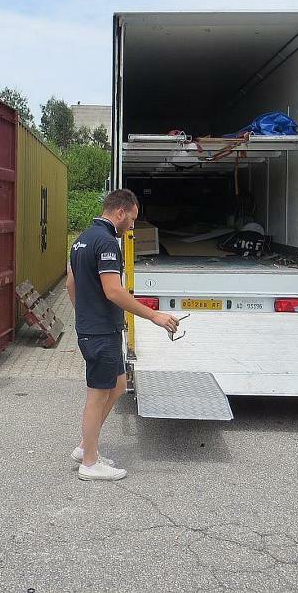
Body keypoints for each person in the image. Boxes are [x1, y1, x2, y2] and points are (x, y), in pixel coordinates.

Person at [67, 189, 179, 481]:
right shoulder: (106, 242)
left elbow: (70, 283)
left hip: (97, 327)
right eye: (132, 218)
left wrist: (84, 312)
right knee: (96, 395)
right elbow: (114, 291)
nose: (132, 225)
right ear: (120, 212)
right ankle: (89, 463)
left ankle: (85, 446)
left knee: (117, 385)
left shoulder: (81, 240)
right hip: (100, 331)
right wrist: (153, 315)